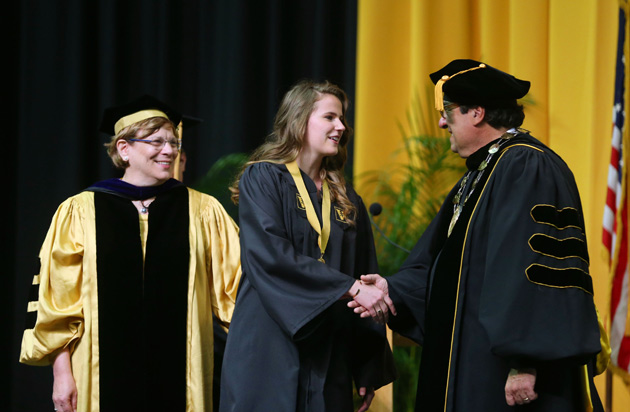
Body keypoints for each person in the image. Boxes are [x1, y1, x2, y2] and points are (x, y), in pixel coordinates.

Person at [349, 59, 610, 411]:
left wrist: (525, 361)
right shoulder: (476, 178)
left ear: (476, 113)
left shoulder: (524, 166)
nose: (442, 122)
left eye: (448, 112)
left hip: (506, 373)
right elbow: (437, 264)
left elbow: (532, 268)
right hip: (471, 363)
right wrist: (391, 290)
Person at [19, 95, 242, 412]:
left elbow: (237, 292)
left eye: (172, 142)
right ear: (124, 149)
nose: (169, 151)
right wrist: (61, 374)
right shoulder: (80, 211)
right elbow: (58, 301)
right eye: (156, 142)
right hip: (97, 378)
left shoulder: (203, 211)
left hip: (184, 379)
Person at [219, 80, 397, 412]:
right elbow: (269, 255)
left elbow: (365, 274)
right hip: (268, 341)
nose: (341, 127)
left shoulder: (346, 199)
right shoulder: (263, 179)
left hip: (330, 350)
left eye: (342, 119)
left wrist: (368, 365)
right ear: (300, 121)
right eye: (330, 117)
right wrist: (351, 288)